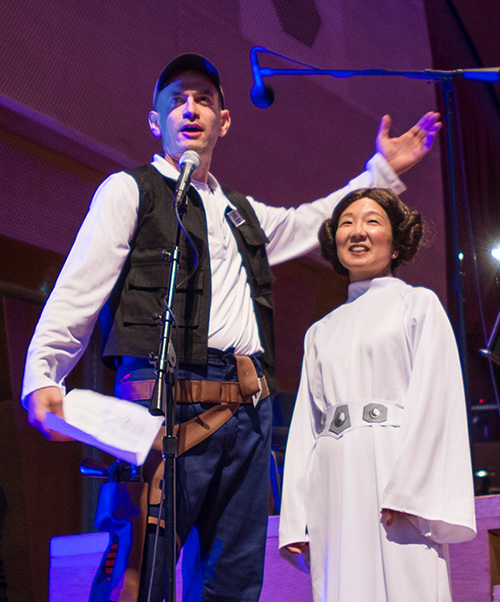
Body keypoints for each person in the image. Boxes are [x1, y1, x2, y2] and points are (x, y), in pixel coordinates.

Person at [21, 52, 441, 602]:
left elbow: (311, 222)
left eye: (204, 100)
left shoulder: (240, 211)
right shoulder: (131, 191)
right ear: (156, 121)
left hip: (246, 411)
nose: (190, 109)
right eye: (176, 100)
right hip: (164, 399)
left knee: (233, 579)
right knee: (139, 576)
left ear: (224, 120)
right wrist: (43, 373)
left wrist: (381, 172)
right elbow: (80, 284)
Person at [278, 187, 476, 602]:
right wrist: (296, 518)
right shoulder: (320, 331)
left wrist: (411, 490)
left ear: (396, 239)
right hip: (334, 481)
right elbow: (306, 428)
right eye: (347, 223)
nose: (357, 232)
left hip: (395, 479)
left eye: (372, 221)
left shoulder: (417, 305)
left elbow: (436, 402)